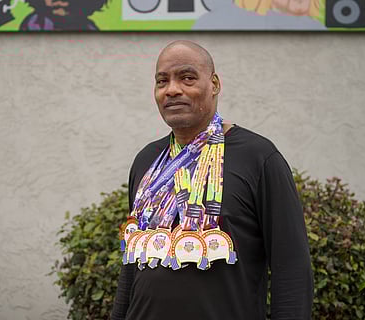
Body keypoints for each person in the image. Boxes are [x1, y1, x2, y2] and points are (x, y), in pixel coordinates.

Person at [111, 40, 313, 320]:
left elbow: (291, 266)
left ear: (214, 84)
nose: (172, 89)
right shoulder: (147, 161)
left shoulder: (258, 157)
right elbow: (132, 264)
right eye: (162, 81)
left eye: (187, 78)